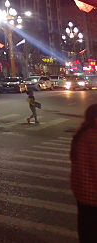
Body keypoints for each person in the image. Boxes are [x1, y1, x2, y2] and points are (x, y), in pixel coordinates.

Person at [70, 104, 97, 243]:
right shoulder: (93, 137)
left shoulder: (81, 135)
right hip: (93, 197)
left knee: (86, 231)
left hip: (83, 196)